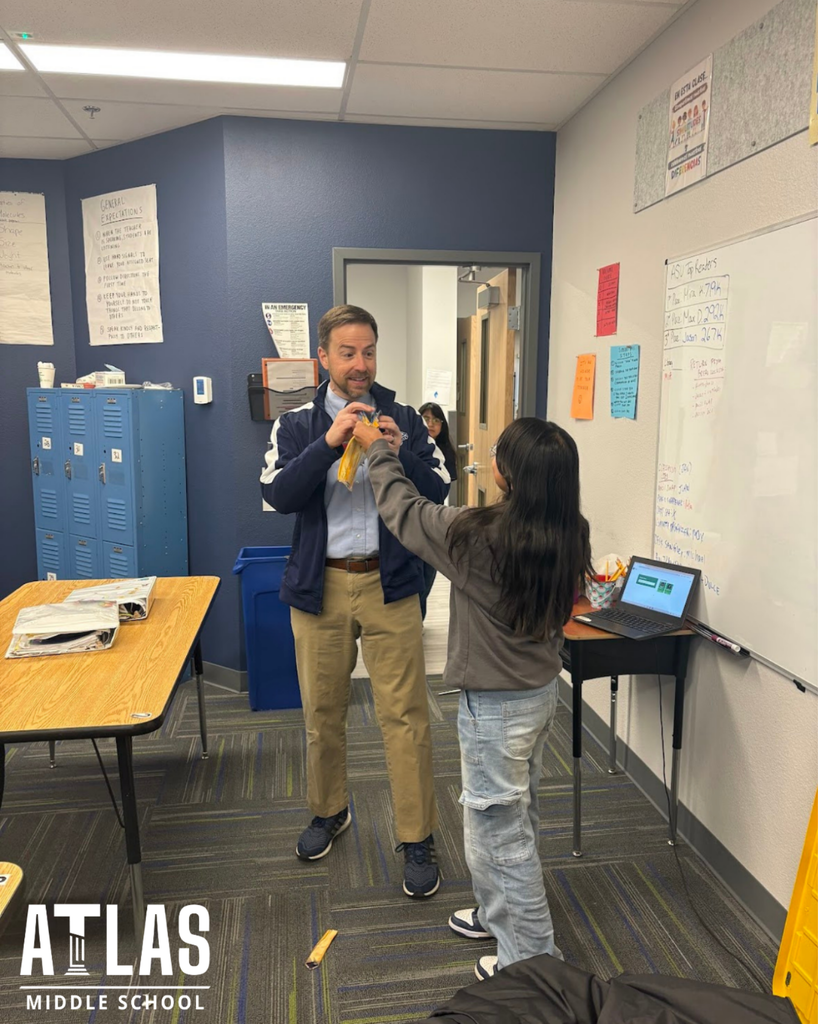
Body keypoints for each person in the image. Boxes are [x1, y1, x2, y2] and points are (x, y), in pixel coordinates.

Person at [352, 416, 592, 980]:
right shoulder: (570, 529)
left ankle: (532, 964)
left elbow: (404, 514)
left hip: (497, 708)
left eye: (499, 457)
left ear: (508, 474)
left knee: (498, 834)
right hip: (537, 695)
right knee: (517, 812)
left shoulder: (476, 533)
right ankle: (494, 914)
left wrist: (378, 454)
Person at [260, 304, 451, 898]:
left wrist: (400, 452)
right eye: (347, 352)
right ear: (324, 357)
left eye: (368, 351)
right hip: (321, 589)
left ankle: (416, 835)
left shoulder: (403, 418)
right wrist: (329, 441)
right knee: (322, 713)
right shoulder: (293, 424)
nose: (360, 364)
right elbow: (276, 493)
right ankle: (329, 810)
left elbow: (441, 489)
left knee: (407, 718)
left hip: (390, 584)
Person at [417, 402, 458, 621]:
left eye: (436, 420)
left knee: (427, 574)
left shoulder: (446, 452)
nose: (431, 424)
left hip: (432, 522)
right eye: (425, 418)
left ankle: (419, 619)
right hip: (411, 518)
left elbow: (442, 488)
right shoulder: (409, 449)